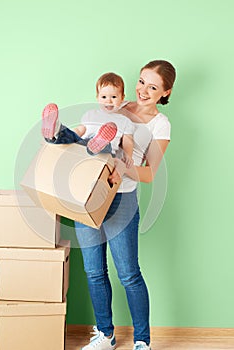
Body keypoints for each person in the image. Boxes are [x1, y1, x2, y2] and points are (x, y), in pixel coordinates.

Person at [75, 60, 176, 350]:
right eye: (142, 81)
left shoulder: (160, 124)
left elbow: (148, 174)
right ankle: (105, 335)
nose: (143, 90)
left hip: (122, 199)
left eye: (153, 87)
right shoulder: (115, 104)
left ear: (164, 92)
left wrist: (121, 164)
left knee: (129, 273)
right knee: (94, 271)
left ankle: (142, 341)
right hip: (89, 195)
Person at [41, 72, 134, 167]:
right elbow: (80, 130)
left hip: (106, 155)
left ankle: (98, 143)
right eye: (104, 97)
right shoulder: (91, 114)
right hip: (84, 146)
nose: (108, 101)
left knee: (106, 145)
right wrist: (71, 136)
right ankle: (56, 131)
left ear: (122, 98)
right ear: (97, 98)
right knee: (71, 137)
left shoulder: (125, 121)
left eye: (114, 97)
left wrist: (128, 156)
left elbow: (128, 141)